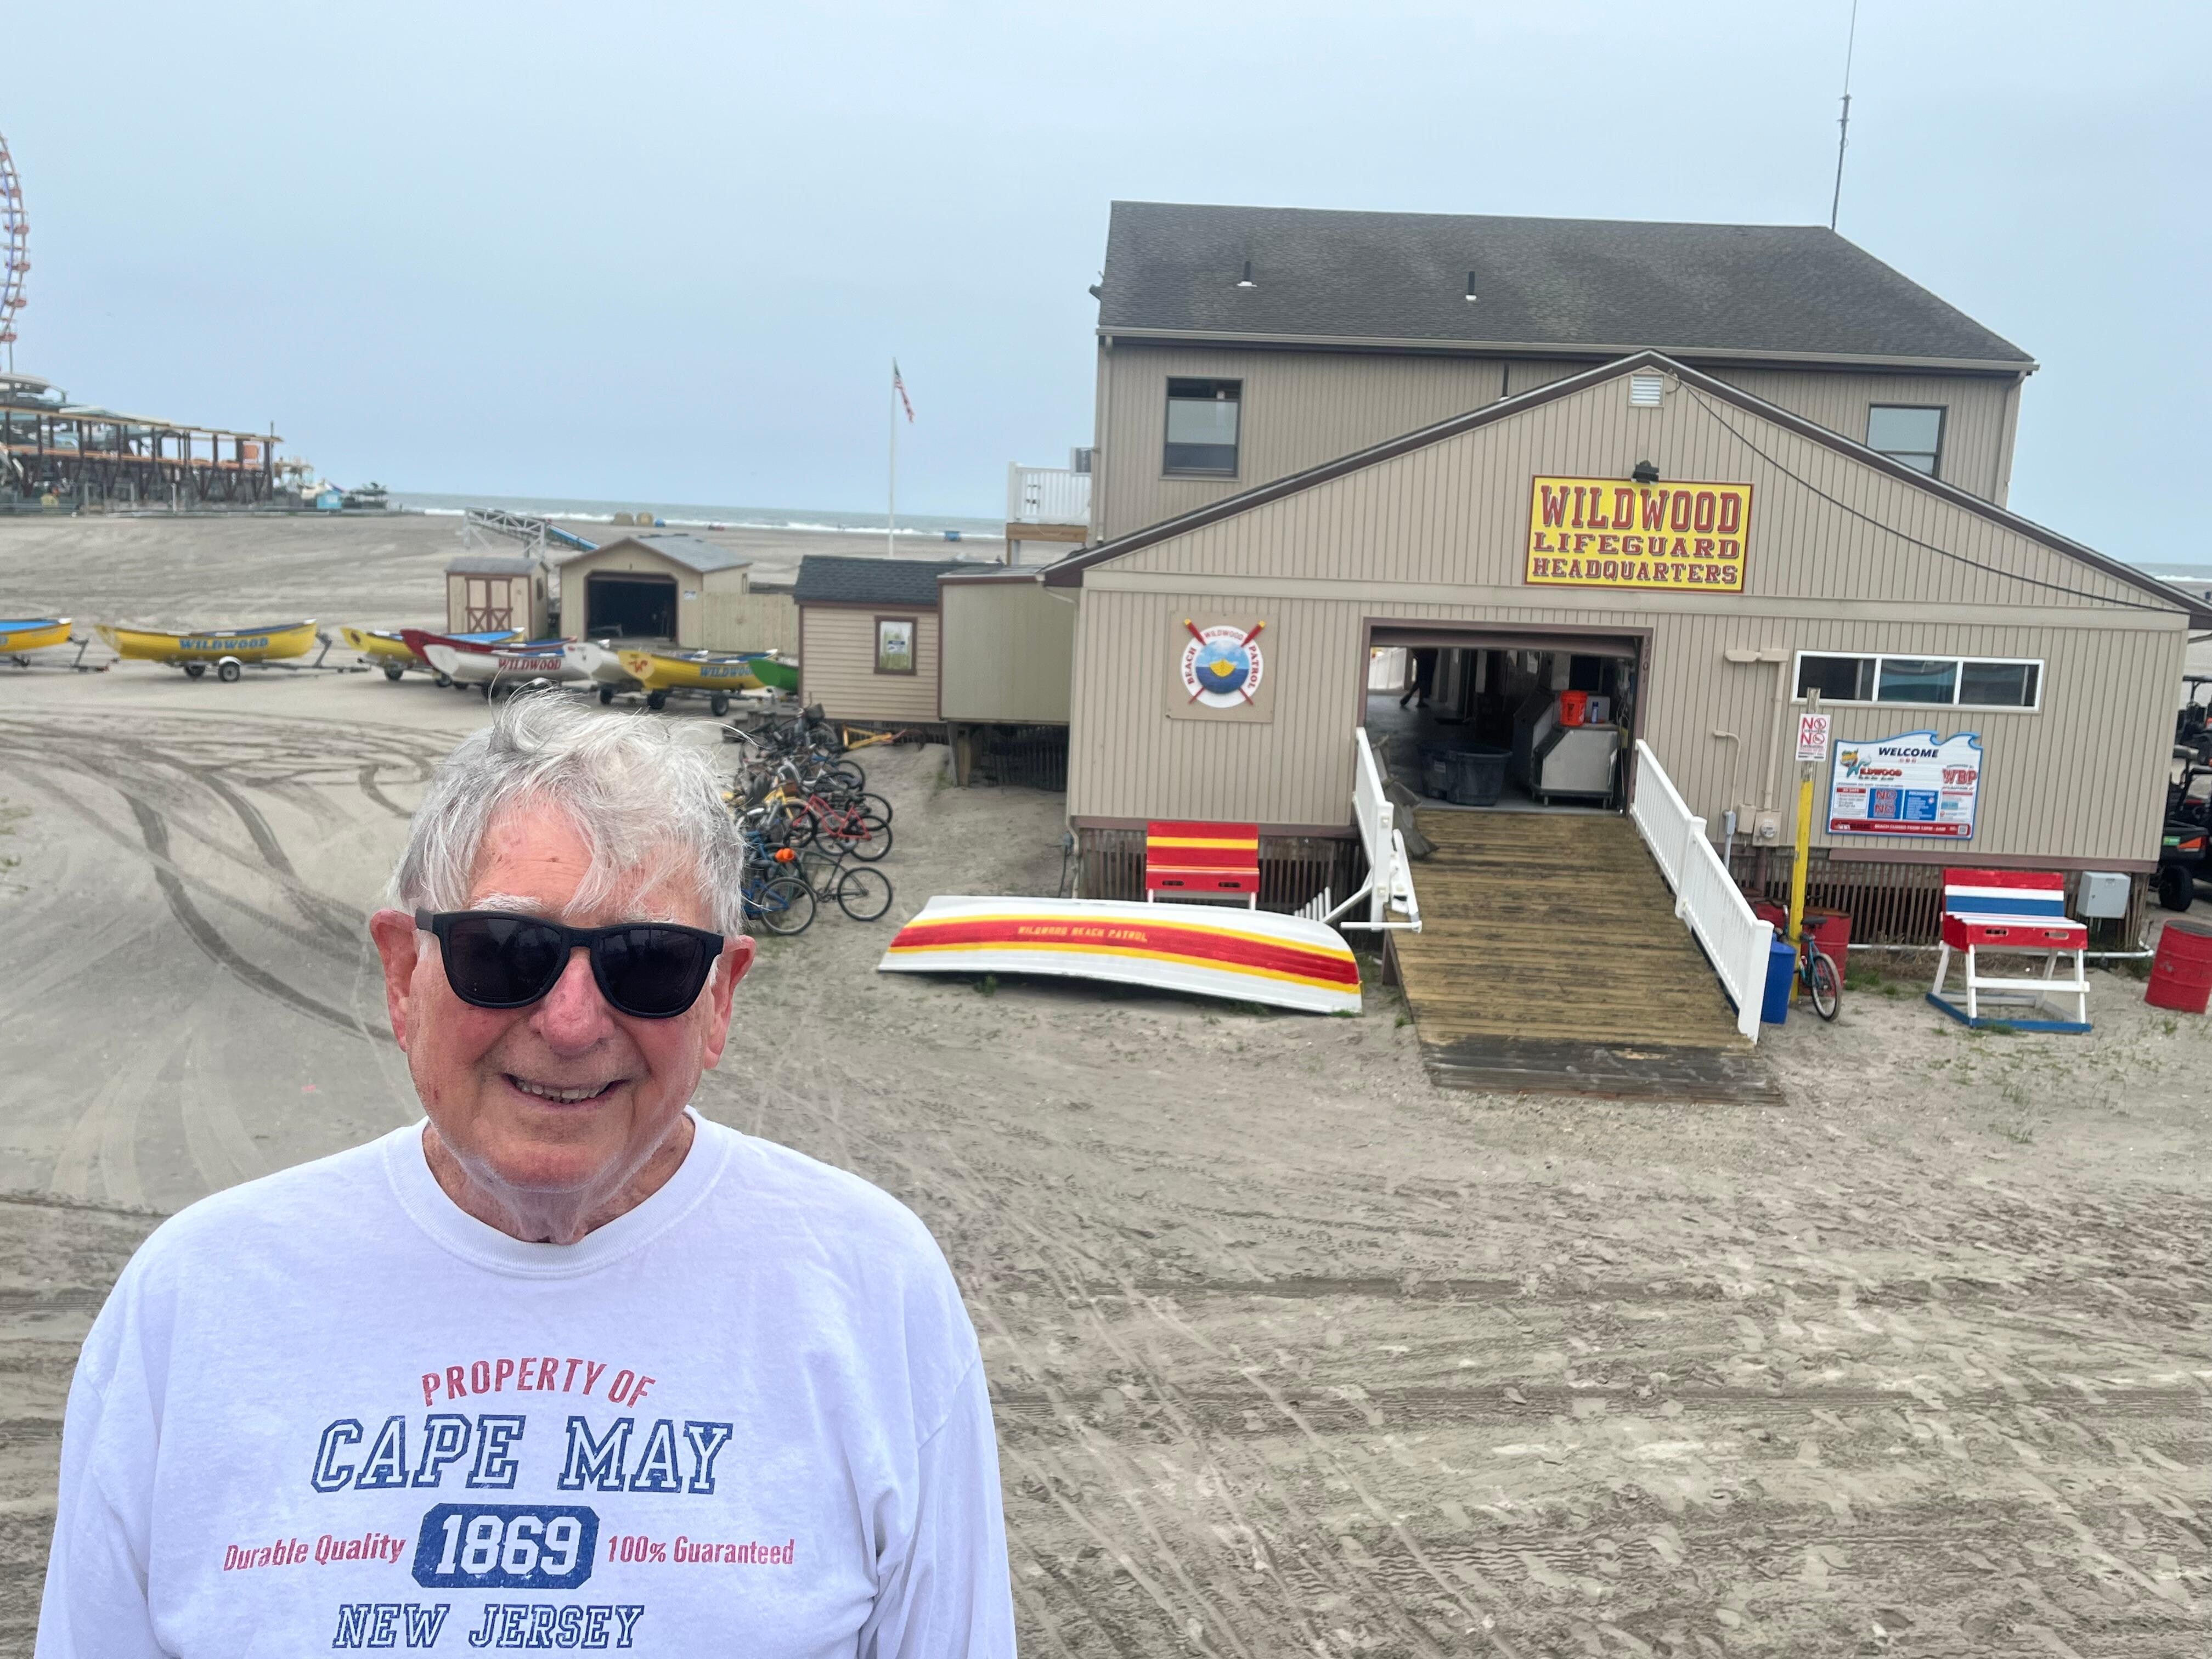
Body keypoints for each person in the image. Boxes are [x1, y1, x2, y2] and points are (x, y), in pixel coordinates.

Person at [38, 694, 1014, 1657]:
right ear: (401, 975)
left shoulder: (872, 1289)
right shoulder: (193, 1301)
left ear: (719, 999)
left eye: (649, 962)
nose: (572, 1022)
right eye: (506, 952)